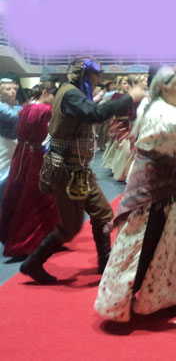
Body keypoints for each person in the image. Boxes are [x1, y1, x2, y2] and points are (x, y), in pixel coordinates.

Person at [19, 57, 147, 283]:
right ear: (86, 75)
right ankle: (33, 263)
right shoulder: (70, 94)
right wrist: (130, 98)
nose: (99, 79)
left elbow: (93, 112)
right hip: (65, 170)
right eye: (97, 75)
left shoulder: (71, 92)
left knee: (102, 213)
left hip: (77, 169)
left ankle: (104, 262)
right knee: (70, 227)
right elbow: (94, 114)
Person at [95, 66, 176, 322]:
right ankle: (127, 298)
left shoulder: (158, 106)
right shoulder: (160, 111)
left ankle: (171, 295)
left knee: (175, 244)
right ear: (164, 88)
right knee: (146, 245)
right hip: (157, 193)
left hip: (172, 189)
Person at [0, 79, 59, 257]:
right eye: (54, 96)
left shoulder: (27, 107)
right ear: (45, 93)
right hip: (34, 155)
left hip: (23, 153)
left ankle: (32, 237)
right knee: (37, 197)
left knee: (19, 193)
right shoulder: (44, 110)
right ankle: (30, 241)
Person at [0, 77, 22, 209]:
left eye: (14, 88)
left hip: (15, 144)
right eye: (8, 89)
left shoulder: (18, 107)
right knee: (3, 172)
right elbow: (16, 118)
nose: (13, 91)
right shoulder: (1, 107)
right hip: (4, 144)